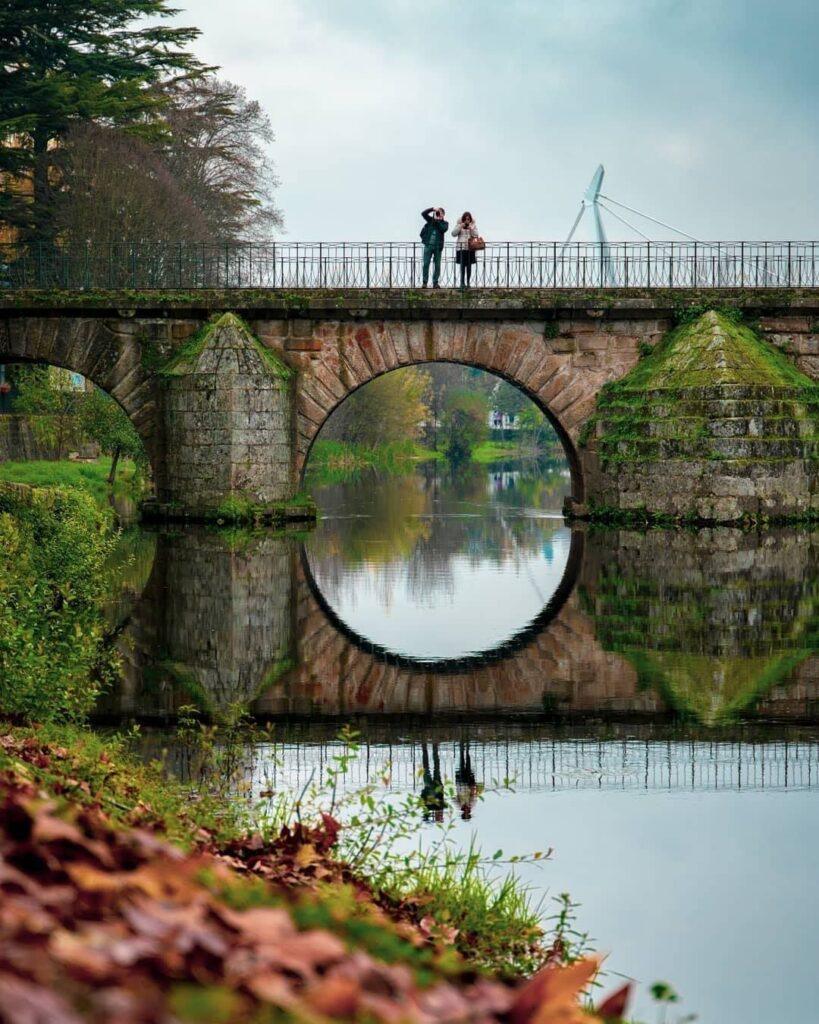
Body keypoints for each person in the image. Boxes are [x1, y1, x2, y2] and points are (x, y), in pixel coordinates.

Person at [420, 207, 448, 288]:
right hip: (428, 245)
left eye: (440, 213)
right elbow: (423, 214)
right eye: (438, 212)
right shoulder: (430, 220)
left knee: (437, 265)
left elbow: (443, 229)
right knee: (426, 264)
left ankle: (435, 283)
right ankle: (425, 282)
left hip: (438, 247)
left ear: (443, 215)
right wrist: (432, 209)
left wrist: (438, 220)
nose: (438, 214)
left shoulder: (445, 223)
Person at [452, 211, 479, 288]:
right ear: (463, 219)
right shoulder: (459, 224)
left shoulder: (473, 225)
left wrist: (471, 228)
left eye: (468, 219)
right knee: (462, 266)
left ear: (470, 219)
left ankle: (468, 282)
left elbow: (476, 235)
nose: (467, 220)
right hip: (461, 248)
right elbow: (453, 234)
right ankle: (462, 282)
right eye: (465, 219)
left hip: (470, 248)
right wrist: (460, 226)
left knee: (469, 266)